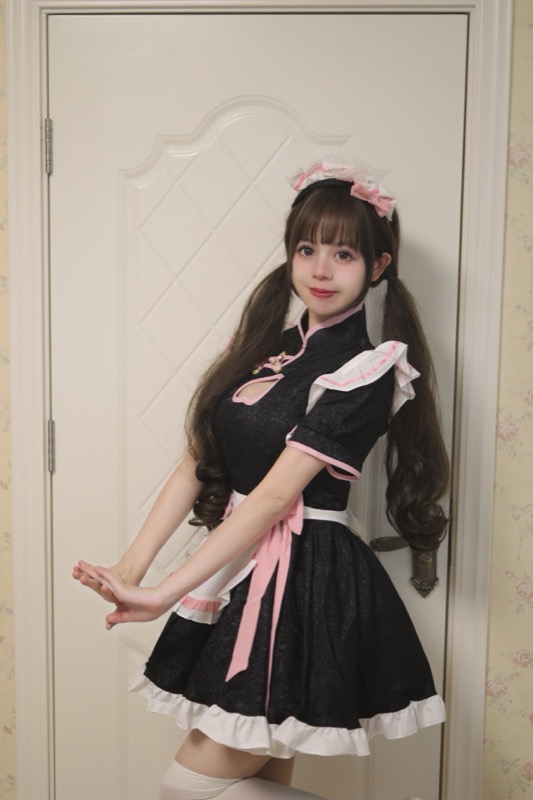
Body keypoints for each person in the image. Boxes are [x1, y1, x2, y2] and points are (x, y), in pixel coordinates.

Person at [74, 161, 449, 800]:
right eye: (306, 249)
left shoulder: (367, 367)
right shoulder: (262, 349)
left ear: (378, 266)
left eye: (343, 254)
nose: (320, 269)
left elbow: (276, 497)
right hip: (241, 563)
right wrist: (131, 568)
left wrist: (163, 593)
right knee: (254, 770)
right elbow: (198, 460)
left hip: (302, 580)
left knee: (189, 786)